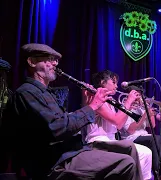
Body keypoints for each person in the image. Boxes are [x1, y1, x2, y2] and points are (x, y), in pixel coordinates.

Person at [0, 43, 137, 180]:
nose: (55, 63)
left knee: (130, 149)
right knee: (126, 163)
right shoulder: (27, 93)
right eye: (49, 58)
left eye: (56, 59)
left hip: (68, 151)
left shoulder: (46, 93)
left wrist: (87, 104)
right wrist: (92, 107)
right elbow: (57, 128)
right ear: (31, 62)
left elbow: (66, 123)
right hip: (55, 161)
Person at [81, 70, 153, 180]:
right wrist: (128, 102)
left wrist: (128, 108)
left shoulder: (109, 101)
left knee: (146, 152)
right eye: (113, 82)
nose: (116, 86)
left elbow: (118, 126)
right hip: (98, 142)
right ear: (102, 82)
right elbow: (117, 121)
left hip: (110, 140)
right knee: (144, 152)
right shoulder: (98, 99)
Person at [120, 85, 161, 180]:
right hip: (131, 138)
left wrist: (149, 112)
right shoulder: (124, 107)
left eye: (140, 95)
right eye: (137, 95)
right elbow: (130, 130)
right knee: (154, 139)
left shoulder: (140, 108)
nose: (139, 98)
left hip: (145, 135)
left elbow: (152, 126)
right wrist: (145, 115)